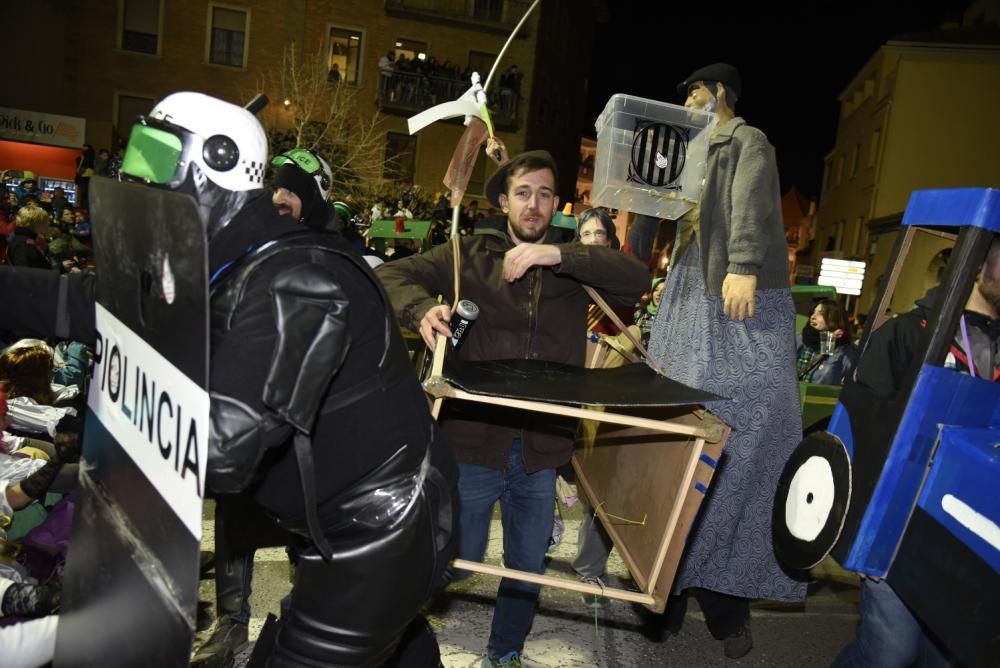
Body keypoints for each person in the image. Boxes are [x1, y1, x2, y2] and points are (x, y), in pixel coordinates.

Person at [0, 91, 458, 667]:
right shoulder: (220, 265)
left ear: (217, 162)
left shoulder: (299, 284)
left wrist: (91, 448)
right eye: (134, 154)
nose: (136, 175)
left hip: (377, 537)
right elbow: (92, 305)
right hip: (328, 521)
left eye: (157, 157)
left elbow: (221, 451)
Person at [377, 147, 649, 667]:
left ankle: (505, 652)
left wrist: (557, 256)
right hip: (475, 440)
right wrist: (422, 310)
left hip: (542, 448)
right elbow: (389, 277)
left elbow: (636, 279)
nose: (534, 204)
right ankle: (391, 613)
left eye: (545, 194)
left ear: (556, 205)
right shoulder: (469, 255)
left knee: (526, 566)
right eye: (523, 193)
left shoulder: (572, 265)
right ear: (504, 201)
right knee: (460, 558)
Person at [644, 62, 805, 659]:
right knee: (682, 438)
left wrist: (742, 264)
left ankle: (724, 598)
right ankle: (667, 587)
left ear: (722, 95)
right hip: (690, 292)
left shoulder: (744, 139)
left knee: (742, 442)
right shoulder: (689, 150)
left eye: (695, 90)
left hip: (731, 290)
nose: (687, 98)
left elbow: (753, 199)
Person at [832, 235, 999, 668]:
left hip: (963, 534)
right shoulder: (910, 332)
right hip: (898, 520)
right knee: (889, 653)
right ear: (978, 265)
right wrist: (863, 537)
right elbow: (861, 432)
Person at [269, 147, 336, 230]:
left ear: (313, 203)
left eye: (290, 191)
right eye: (276, 190)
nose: (278, 199)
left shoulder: (324, 242)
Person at [796, 299, 858, 385]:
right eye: (814, 312)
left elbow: (826, 377)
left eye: (820, 313)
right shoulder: (800, 338)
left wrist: (828, 341)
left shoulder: (845, 350)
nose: (813, 316)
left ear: (833, 318)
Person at [634, 277, 666, 345]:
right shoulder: (641, 309)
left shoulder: (668, 317)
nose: (659, 294)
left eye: (663, 291)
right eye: (656, 290)